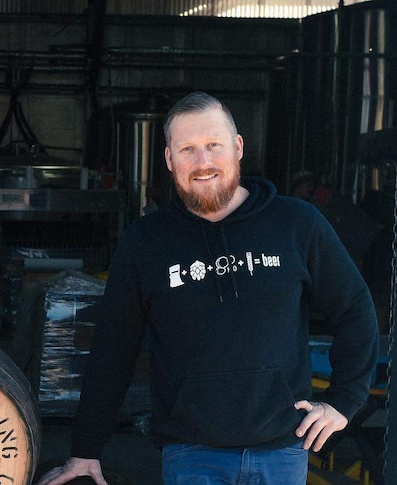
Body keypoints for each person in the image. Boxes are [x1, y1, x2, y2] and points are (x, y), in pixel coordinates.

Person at [36, 91, 379, 485]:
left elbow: (354, 307)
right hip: (190, 453)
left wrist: (345, 401)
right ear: (168, 159)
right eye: (187, 149)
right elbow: (113, 348)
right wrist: (86, 448)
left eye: (213, 145)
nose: (203, 163)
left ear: (237, 148)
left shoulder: (297, 224)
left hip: (283, 450)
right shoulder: (145, 243)